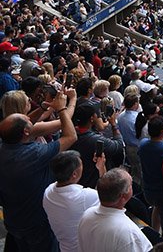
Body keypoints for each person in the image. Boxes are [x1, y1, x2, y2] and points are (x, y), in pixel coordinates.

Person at [0, 85, 78, 252]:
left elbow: (27, 125)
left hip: (14, 217)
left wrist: (43, 107)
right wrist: (63, 107)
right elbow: (70, 136)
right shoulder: (32, 154)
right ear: (26, 133)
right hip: (36, 221)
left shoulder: (5, 142)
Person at [77, 168, 151, 252]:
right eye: (130, 184)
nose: (132, 186)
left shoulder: (86, 215)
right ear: (123, 196)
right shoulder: (129, 234)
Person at [43, 150, 104, 252]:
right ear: (74, 174)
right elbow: (106, 194)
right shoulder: (83, 197)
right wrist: (101, 168)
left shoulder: (48, 192)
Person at [139, 115, 163, 238]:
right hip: (162, 191)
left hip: (148, 189)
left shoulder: (143, 144)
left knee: (156, 208)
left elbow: (160, 146)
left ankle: (154, 234)